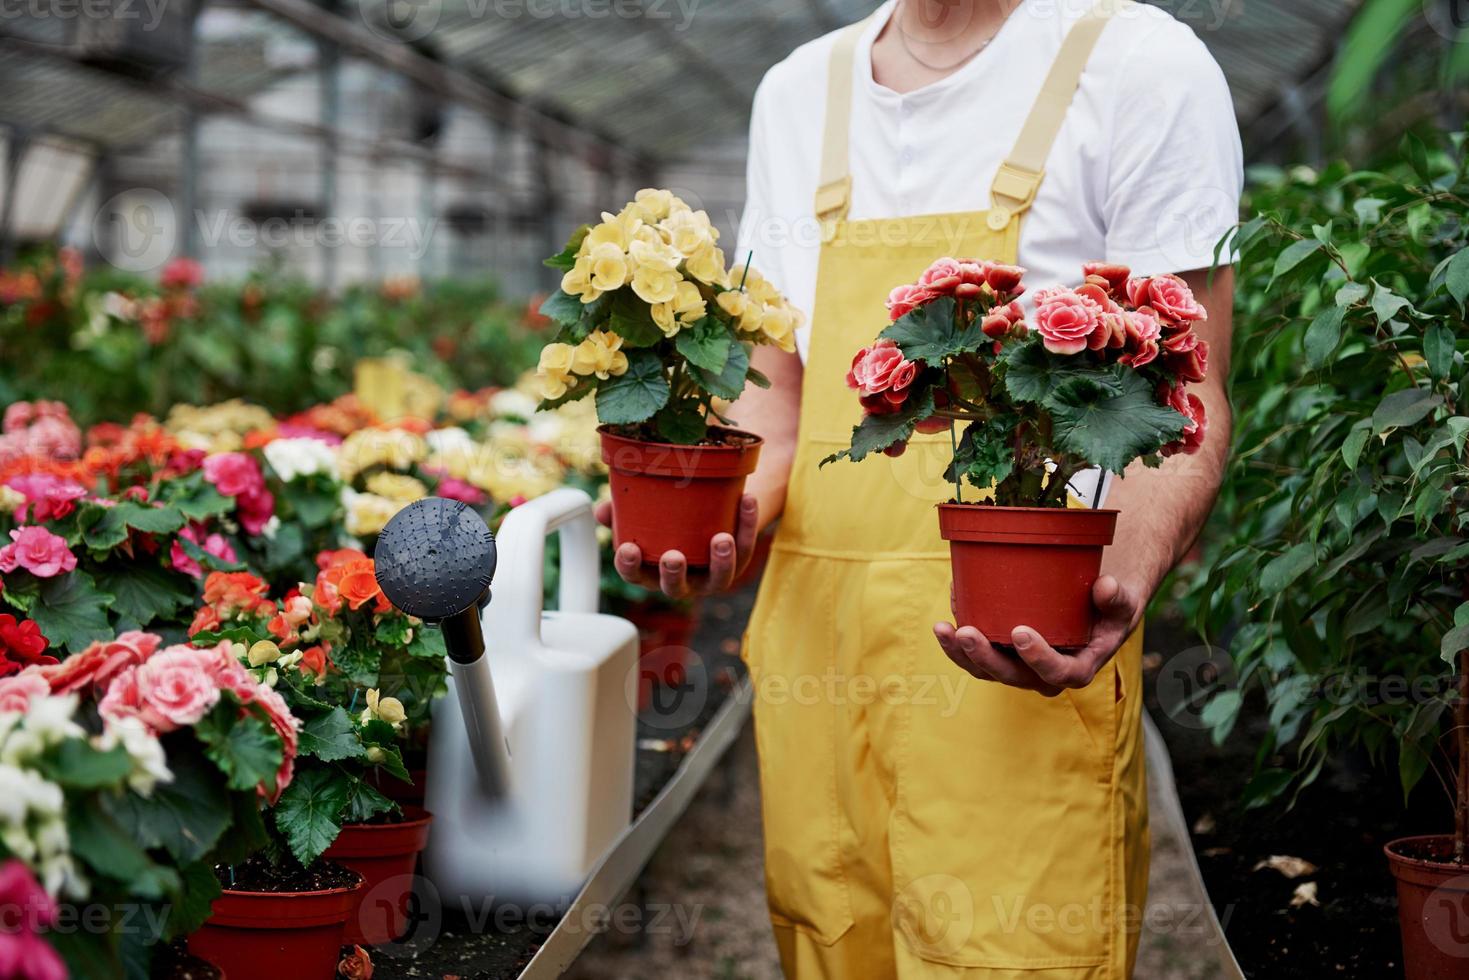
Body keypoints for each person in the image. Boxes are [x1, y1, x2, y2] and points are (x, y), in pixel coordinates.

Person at [598, 0, 1242, 975]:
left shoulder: (1136, 62)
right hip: (821, 651)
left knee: (1010, 949)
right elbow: (779, 408)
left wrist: (1118, 581)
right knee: (829, 937)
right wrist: (718, 512)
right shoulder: (796, 93)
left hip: (1021, 641)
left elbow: (1185, 397)